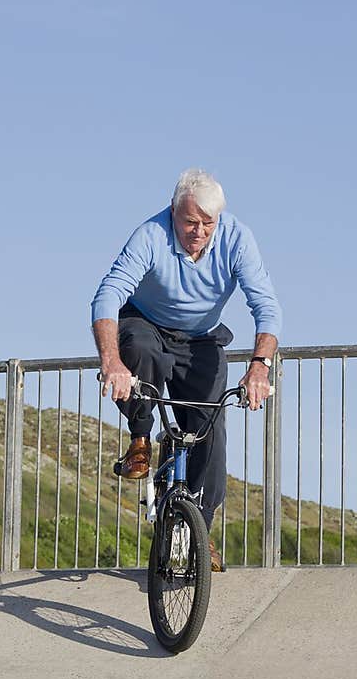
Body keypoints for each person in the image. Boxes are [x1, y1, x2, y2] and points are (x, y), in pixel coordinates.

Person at [90, 168, 281, 571]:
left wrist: (260, 367)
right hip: (147, 324)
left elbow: (266, 307)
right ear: (174, 211)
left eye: (207, 224)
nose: (198, 232)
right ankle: (140, 438)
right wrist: (112, 362)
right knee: (140, 349)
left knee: (211, 432)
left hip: (202, 339)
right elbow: (107, 296)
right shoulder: (151, 235)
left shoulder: (237, 238)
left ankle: (200, 531)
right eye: (190, 222)